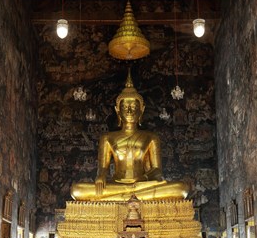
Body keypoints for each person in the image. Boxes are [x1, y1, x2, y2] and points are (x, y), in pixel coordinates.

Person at [71, 70, 189, 201]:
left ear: (141, 110)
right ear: (118, 110)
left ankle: (125, 196)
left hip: (142, 185)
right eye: (125, 106)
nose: (129, 110)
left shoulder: (151, 137)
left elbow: (157, 170)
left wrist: (142, 179)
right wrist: (101, 177)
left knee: (181, 188)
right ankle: (127, 194)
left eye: (133, 106)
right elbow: (102, 168)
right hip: (117, 185)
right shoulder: (107, 138)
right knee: (77, 190)